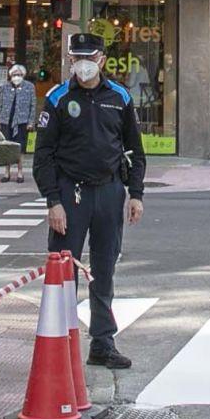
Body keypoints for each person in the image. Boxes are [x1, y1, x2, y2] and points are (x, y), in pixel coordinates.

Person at [34, 32, 146, 370]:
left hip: (110, 191)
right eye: (76, 58)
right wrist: (53, 201)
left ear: (101, 60)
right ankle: (60, 340)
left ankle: (102, 342)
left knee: (104, 268)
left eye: (89, 57)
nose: (82, 65)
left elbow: (135, 151)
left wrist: (136, 194)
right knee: (64, 267)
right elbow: (43, 156)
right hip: (71, 193)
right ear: (70, 60)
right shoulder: (56, 99)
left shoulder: (119, 97)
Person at [0, 63, 38, 183]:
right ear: (10, 76)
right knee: (7, 146)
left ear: (23, 75)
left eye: (18, 74)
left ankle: (20, 172)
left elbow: (33, 105)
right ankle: (6, 172)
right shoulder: (5, 87)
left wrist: (31, 122)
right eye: (14, 74)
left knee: (20, 148)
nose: (16, 77)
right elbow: (1, 105)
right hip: (6, 121)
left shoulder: (29, 87)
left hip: (22, 122)